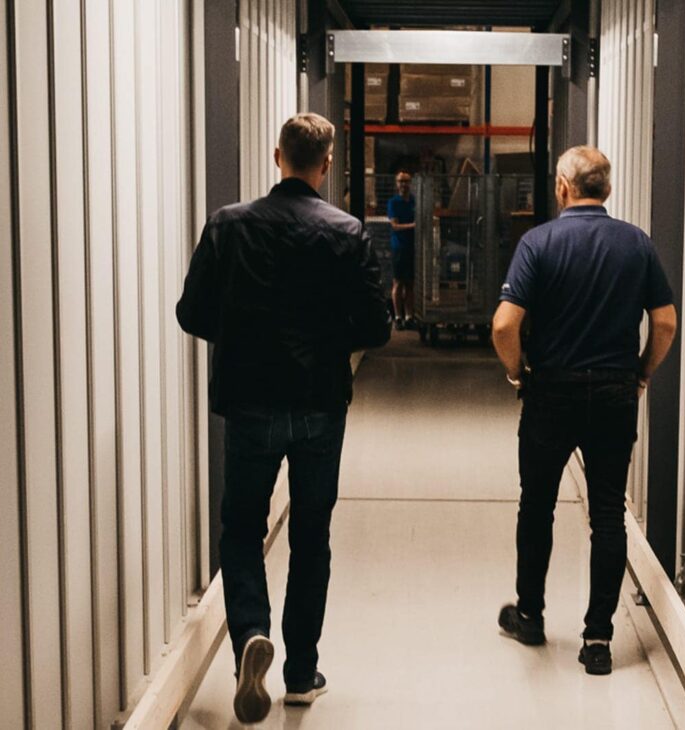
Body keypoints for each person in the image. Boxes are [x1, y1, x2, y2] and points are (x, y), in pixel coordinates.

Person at [176, 113, 391, 722]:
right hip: (321, 404)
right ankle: (300, 674)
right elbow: (375, 328)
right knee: (311, 537)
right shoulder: (348, 232)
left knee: (242, 530)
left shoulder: (228, 224)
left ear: (277, 156)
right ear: (326, 164)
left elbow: (191, 313)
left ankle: (250, 637)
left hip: (249, 402)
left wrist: (242, 334)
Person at [491, 146, 678, 676]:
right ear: (608, 190)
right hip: (615, 393)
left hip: (552, 391)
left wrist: (517, 372)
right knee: (607, 515)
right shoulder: (636, 244)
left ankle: (529, 614)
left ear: (561, 187)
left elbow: (505, 325)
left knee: (538, 505)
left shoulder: (539, 242)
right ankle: (597, 639)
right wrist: (641, 372)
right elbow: (664, 323)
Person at [387, 170, 417, 330]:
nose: (403, 185)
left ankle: (409, 316)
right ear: (397, 184)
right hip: (399, 247)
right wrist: (413, 226)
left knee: (410, 284)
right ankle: (398, 317)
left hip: (412, 247)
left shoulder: (413, 202)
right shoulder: (393, 203)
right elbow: (394, 226)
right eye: (401, 181)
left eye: (406, 181)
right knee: (398, 283)